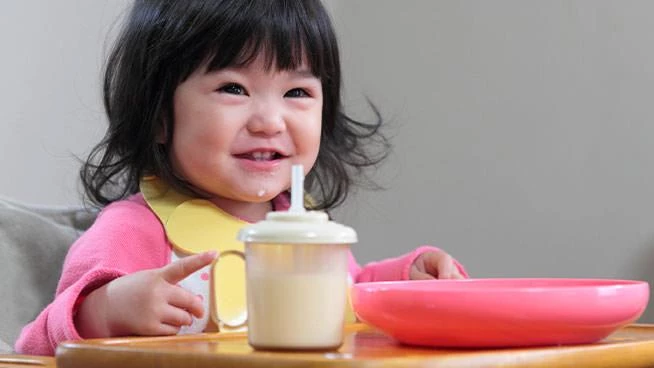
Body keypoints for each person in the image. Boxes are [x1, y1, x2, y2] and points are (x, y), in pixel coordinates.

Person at [15, 0, 467, 356]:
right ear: (158, 116)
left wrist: (405, 280)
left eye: (297, 92)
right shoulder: (135, 229)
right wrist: (106, 311)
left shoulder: (301, 228)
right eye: (233, 89)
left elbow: (348, 295)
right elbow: (34, 345)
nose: (270, 120)